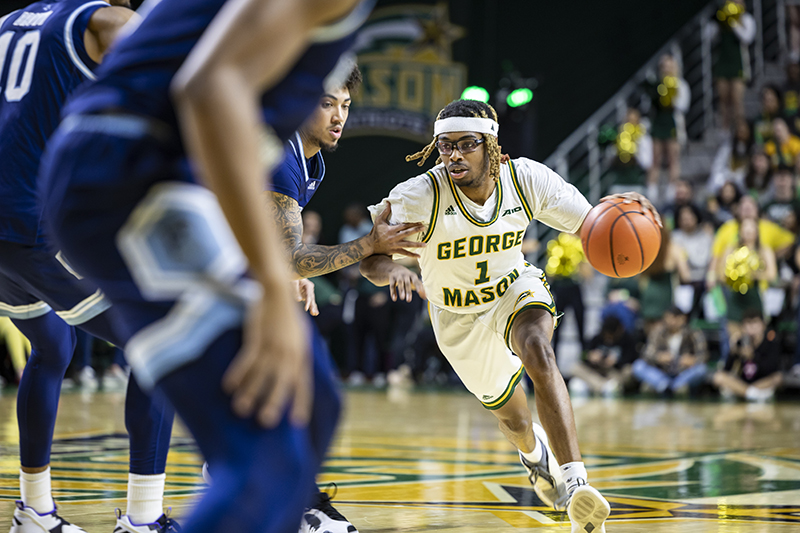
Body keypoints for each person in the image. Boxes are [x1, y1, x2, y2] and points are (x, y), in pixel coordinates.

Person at [37, 1, 373, 533]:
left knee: (313, 403)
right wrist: (268, 282)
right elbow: (209, 88)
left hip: (133, 169)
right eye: (328, 102)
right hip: (132, 168)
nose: (336, 113)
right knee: (272, 442)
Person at [359, 99, 661, 533]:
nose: (454, 156)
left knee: (539, 351)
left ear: (493, 148)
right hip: (457, 318)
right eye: (445, 146)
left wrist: (624, 212)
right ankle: (535, 457)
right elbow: (369, 257)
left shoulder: (527, 179)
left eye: (466, 144)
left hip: (512, 291)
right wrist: (388, 269)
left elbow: (592, 224)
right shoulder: (419, 196)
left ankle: (576, 486)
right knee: (516, 422)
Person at [0, 2, 179, 532]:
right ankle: (143, 520)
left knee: (53, 345)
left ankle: (35, 511)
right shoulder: (105, 22)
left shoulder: (7, 21)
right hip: (33, 225)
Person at [263, 63, 423, 533]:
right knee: (310, 393)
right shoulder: (280, 153)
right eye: (327, 103)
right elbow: (291, 253)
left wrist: (283, 271)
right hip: (186, 263)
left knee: (303, 394)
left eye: (346, 106)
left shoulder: (313, 161)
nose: (339, 117)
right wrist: (368, 246)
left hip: (231, 269)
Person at [632, 306, 708, 395]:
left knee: (701, 369)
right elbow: (647, 353)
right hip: (662, 372)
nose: (672, 322)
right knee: (638, 366)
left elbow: (703, 355)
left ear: (683, 319)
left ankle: (674, 387)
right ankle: (665, 385)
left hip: (683, 373)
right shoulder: (658, 332)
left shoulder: (693, 333)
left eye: (675, 319)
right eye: (669, 319)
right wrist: (658, 357)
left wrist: (693, 360)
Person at [712, 310, 783, 401]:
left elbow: (772, 368)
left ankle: (747, 393)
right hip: (743, 382)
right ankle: (751, 394)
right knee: (718, 377)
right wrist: (734, 351)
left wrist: (753, 357)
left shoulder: (770, 342)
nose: (752, 328)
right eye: (748, 324)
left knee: (778, 378)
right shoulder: (740, 342)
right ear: (743, 327)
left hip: (762, 382)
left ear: (763, 325)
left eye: (755, 323)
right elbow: (727, 369)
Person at [708, 0, 756, 129]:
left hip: (738, 62)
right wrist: (718, 20)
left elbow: (747, 37)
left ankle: (740, 132)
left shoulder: (746, 18)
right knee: (723, 100)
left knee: (736, 100)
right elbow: (710, 36)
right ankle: (725, 133)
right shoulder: (722, 18)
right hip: (723, 61)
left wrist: (734, 22)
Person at [646, 54, 690, 189]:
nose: (667, 70)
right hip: (658, 122)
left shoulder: (681, 85)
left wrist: (671, 97)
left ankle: (672, 191)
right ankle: (652, 191)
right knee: (655, 159)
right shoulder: (657, 86)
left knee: (673, 159)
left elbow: (683, 106)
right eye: (664, 67)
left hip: (673, 123)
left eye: (670, 67)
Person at [568, 315, 638, 397]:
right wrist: (590, 356)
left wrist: (616, 361)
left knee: (629, 370)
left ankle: (601, 386)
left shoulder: (628, 340)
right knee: (575, 368)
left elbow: (633, 360)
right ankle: (602, 387)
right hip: (596, 372)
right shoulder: (597, 338)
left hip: (614, 372)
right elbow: (584, 355)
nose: (608, 338)